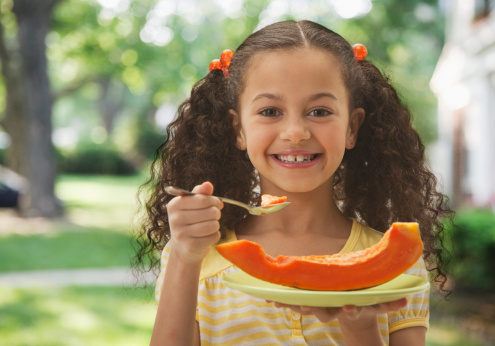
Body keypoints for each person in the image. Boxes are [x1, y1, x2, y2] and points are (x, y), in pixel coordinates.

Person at [134, 20, 452, 345]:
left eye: (319, 111)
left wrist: (361, 330)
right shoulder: (195, 256)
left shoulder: (401, 269)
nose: (296, 132)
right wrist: (185, 257)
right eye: (271, 111)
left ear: (352, 128)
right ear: (238, 129)